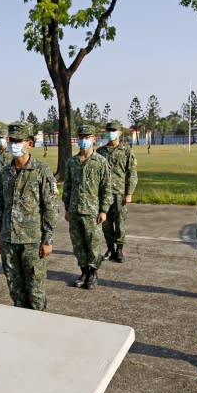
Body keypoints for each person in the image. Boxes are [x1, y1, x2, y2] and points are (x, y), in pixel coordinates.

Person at [0, 122, 58, 310]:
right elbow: (0, 206)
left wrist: (48, 239)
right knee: (15, 289)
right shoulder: (5, 172)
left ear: (29, 143)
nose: (14, 144)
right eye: (11, 140)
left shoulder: (41, 170)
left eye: (18, 141)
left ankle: (39, 327)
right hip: (9, 239)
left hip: (32, 241)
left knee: (35, 290)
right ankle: (21, 324)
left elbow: (51, 207)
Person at [63, 125, 111, 290]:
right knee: (78, 244)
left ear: (93, 139)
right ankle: (83, 271)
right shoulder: (72, 162)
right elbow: (67, 187)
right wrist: (67, 208)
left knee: (93, 244)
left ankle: (92, 273)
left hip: (92, 212)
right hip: (75, 210)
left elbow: (106, 188)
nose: (83, 140)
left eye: (87, 137)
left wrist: (104, 210)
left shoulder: (101, 162)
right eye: (81, 137)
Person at [96, 120, 138, 263]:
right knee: (106, 224)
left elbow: (131, 173)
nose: (111, 133)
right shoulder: (100, 152)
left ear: (120, 133)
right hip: (104, 195)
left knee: (120, 224)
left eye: (113, 130)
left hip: (119, 194)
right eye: (108, 130)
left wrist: (129, 193)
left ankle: (119, 250)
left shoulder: (126, 151)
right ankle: (110, 249)